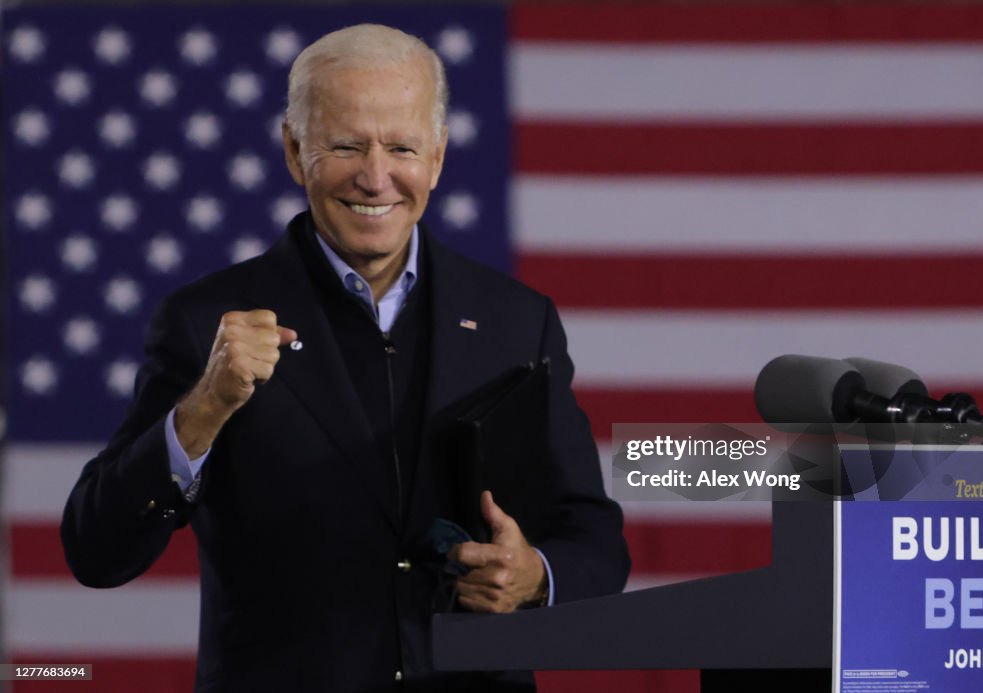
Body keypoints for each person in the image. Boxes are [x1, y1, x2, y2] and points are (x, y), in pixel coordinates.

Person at [61, 23, 630, 692]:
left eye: (402, 146)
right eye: (346, 145)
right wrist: (204, 408)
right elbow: (95, 550)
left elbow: (592, 536)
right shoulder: (201, 323)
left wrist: (535, 575)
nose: (375, 175)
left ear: (438, 158)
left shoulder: (517, 320)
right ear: (294, 151)